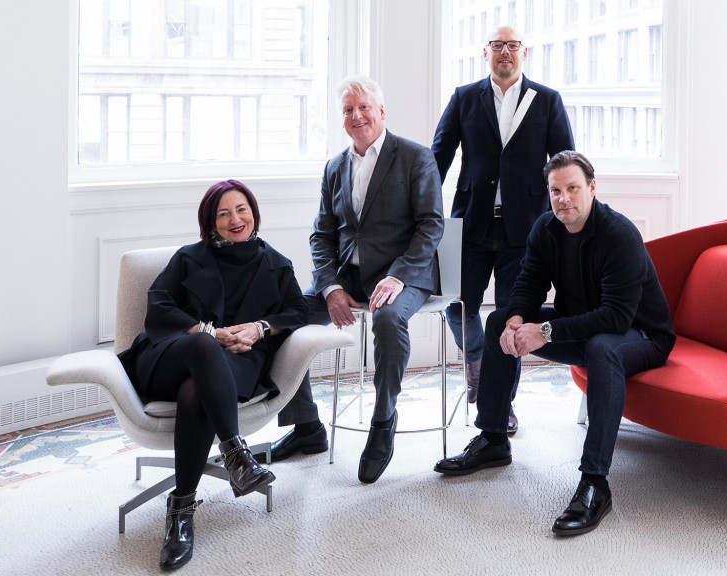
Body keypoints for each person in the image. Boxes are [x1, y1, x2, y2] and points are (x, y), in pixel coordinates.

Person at [433, 151, 675, 536]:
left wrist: (543, 332)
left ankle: (595, 483)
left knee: (602, 347)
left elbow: (616, 318)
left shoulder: (619, 234)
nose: (564, 198)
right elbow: (528, 284)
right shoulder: (546, 228)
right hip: (582, 329)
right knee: (498, 321)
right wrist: (516, 321)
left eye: (573, 188)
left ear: (592, 188)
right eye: (556, 190)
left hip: (640, 336)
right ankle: (494, 437)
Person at [117, 179, 307, 571]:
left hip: (235, 366)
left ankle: (180, 514)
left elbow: (297, 312)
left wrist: (260, 328)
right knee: (204, 348)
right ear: (210, 222)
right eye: (223, 213)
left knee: (195, 393)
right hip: (170, 358)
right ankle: (236, 454)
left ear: (253, 212)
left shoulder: (276, 264)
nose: (235, 219)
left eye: (241, 209)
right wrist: (206, 332)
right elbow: (159, 308)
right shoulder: (189, 257)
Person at [268, 75, 444, 484]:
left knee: (386, 318)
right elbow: (322, 235)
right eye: (348, 110)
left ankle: (383, 420)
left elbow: (431, 226)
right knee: (287, 316)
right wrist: (330, 287)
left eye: (364, 107)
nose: (357, 115)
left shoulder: (416, 157)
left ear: (381, 111)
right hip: (348, 277)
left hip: (407, 275)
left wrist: (398, 276)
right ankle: (307, 426)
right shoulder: (335, 167)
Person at [431, 25, 575, 434]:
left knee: (514, 317)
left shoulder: (547, 100)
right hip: (472, 224)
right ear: (486, 53)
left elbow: (564, 160)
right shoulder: (464, 98)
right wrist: (420, 210)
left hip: (524, 230)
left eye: (512, 45)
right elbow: (437, 157)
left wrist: (564, 215)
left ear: (523, 53)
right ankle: (478, 364)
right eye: (498, 45)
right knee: (456, 306)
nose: (505, 52)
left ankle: (502, 403)